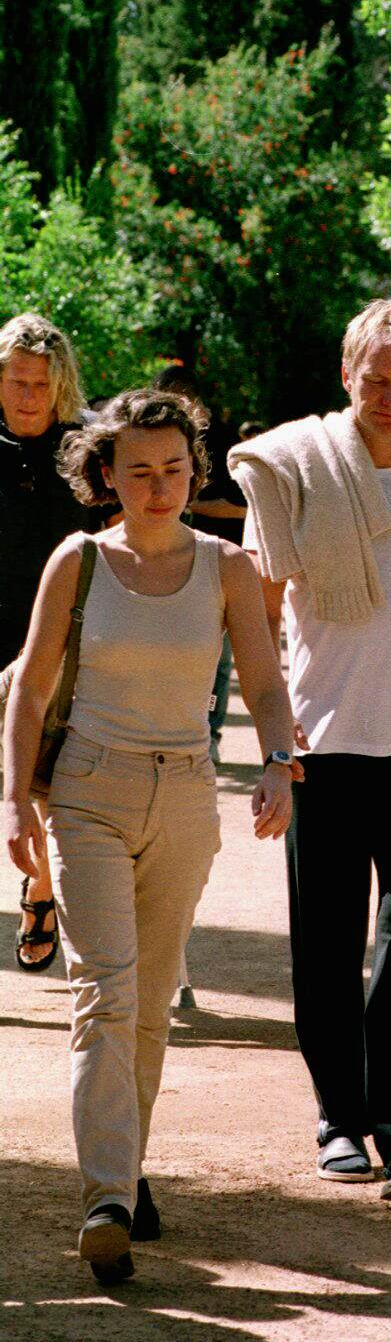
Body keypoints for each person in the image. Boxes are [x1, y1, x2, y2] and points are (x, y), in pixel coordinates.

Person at [2, 389, 297, 1285]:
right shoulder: (78, 560)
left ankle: (125, 1165)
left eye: (175, 468)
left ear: (192, 471)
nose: (160, 485)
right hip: (88, 792)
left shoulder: (228, 567)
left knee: (154, 1004)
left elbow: (264, 680)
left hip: (184, 801)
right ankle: (106, 1196)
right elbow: (28, 687)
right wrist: (17, 800)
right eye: (139, 470)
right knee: (107, 991)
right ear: (105, 476)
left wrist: (281, 761)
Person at [230, 297, 391, 1201]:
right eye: (376, 381)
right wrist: (271, 735)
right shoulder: (297, 469)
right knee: (327, 945)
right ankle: (340, 1118)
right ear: (347, 375)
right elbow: (257, 610)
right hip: (322, 743)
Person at [0, 314, 90, 973]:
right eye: (16, 380)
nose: (28, 395)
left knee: (51, 787)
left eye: (40, 383)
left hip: (60, 642)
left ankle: (42, 886)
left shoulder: (85, 452)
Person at [152, 366, 247, 764]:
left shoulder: (221, 444)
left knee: (218, 661)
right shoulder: (152, 443)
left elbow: (242, 507)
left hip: (218, 562)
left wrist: (188, 505)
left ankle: (209, 735)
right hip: (162, 561)